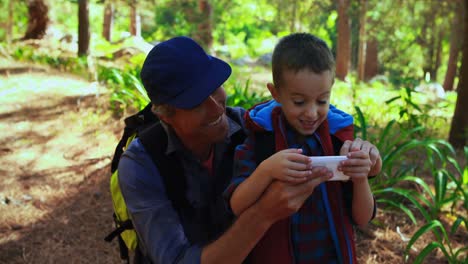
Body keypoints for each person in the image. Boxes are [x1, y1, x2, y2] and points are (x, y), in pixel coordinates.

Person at [117, 36, 350, 264]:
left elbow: (314, 114)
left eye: (215, 87)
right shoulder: (141, 165)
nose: (216, 106)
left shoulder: (252, 127)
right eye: (196, 101)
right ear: (165, 115)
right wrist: (262, 213)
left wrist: (360, 153)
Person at [224, 33, 382, 263]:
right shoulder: (260, 140)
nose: (311, 113)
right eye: (299, 102)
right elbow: (237, 205)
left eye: (321, 101)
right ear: (275, 93)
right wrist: (266, 171)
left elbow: (362, 218)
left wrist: (360, 179)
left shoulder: (337, 140)